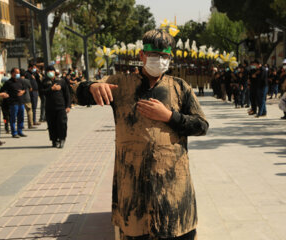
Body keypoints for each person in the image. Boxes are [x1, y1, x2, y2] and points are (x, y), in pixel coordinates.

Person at [76, 29, 208, 240]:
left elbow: (201, 125)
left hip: (173, 188)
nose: (159, 60)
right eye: (154, 55)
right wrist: (90, 86)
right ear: (142, 55)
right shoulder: (120, 84)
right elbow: (80, 94)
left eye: (164, 56)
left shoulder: (179, 87)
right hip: (133, 191)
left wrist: (169, 117)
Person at [41, 66, 71, 148]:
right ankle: (54, 140)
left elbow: (67, 94)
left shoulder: (61, 81)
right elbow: (42, 92)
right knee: (51, 125)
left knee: (62, 124)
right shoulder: (44, 82)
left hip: (61, 107)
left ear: (54, 72)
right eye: (48, 71)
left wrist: (68, 106)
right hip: (50, 107)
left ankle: (62, 139)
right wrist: (51, 89)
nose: (50, 72)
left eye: (51, 71)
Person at [0, 68, 27, 138]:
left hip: (21, 102)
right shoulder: (8, 82)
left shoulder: (21, 81)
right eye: (16, 72)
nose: (18, 74)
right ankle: (14, 132)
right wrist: (5, 95)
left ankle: (20, 131)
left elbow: (25, 89)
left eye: (18, 73)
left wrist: (22, 92)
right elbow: (1, 91)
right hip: (13, 103)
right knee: (13, 118)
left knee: (21, 118)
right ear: (12, 73)